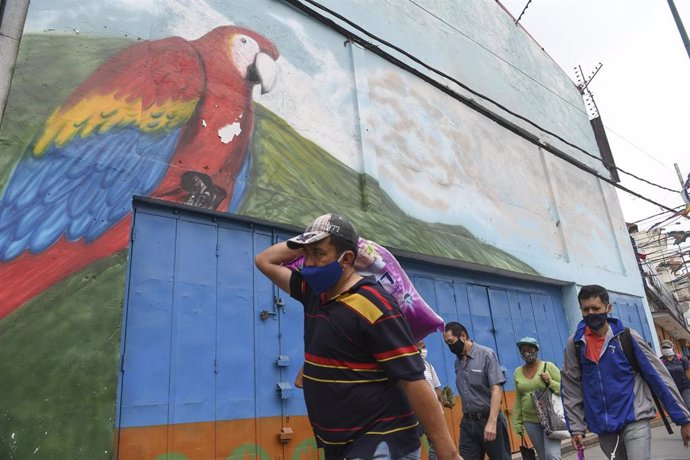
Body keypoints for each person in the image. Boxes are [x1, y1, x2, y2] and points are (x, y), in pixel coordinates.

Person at [254, 213, 461, 460]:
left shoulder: (372, 303)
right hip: (340, 443)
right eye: (305, 254)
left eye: (318, 254)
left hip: (382, 440)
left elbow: (413, 379)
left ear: (347, 258)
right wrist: (306, 241)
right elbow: (264, 260)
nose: (307, 263)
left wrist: (448, 452)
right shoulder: (315, 295)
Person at [561, 284, 690, 460]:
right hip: (603, 426)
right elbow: (571, 388)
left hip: (634, 418)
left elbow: (659, 376)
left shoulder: (627, 338)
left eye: (596, 308)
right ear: (581, 310)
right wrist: (576, 428)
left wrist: (683, 419)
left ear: (608, 308)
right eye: (586, 309)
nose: (591, 313)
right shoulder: (575, 344)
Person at [443, 322, 511, 460]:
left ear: (463, 336)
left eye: (451, 341)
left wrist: (492, 423)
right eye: (446, 343)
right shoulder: (458, 362)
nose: (449, 346)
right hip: (468, 423)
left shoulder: (486, 354)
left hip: (489, 419)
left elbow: (496, 389)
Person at [511, 336, 562, 460]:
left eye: (529, 348)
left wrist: (550, 382)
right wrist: (517, 422)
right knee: (543, 456)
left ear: (536, 350)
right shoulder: (518, 372)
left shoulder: (547, 366)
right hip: (530, 421)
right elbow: (518, 398)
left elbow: (565, 389)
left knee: (552, 456)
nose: (526, 352)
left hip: (550, 418)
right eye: (522, 349)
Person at [417, 341, 445, 460]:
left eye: (424, 347)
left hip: (433, 413)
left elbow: (437, 389)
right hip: (416, 414)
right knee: (412, 445)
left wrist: (441, 408)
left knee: (435, 445)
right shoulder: (408, 367)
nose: (423, 350)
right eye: (420, 347)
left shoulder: (428, 366)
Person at [660, 339, 690, 410]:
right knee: (679, 410)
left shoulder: (682, 359)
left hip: (685, 387)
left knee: (688, 406)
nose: (665, 349)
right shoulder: (660, 361)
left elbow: (688, 373)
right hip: (671, 389)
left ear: (672, 347)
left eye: (667, 347)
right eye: (664, 347)